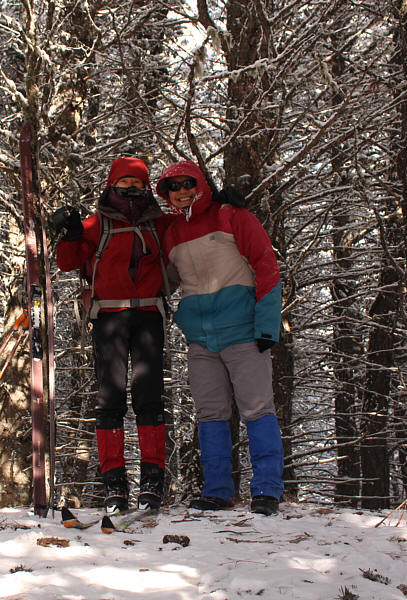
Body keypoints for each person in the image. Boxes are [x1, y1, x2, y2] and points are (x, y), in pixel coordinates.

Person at [155, 160, 285, 516]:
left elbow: (266, 264)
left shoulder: (232, 216)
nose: (181, 191)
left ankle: (267, 491)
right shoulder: (171, 233)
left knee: (257, 409)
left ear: (200, 184)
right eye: (172, 187)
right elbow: (164, 281)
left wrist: (266, 325)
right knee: (210, 413)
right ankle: (217, 491)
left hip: (244, 331)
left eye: (187, 183)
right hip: (200, 339)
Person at [51, 157, 173, 513]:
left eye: (138, 184)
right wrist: (71, 233)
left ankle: (152, 483)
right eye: (125, 184)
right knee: (110, 400)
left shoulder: (159, 223)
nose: (132, 190)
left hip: (149, 313)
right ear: (111, 185)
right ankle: (114, 485)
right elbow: (68, 263)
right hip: (109, 316)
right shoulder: (96, 223)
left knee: (150, 398)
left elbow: (192, 229)